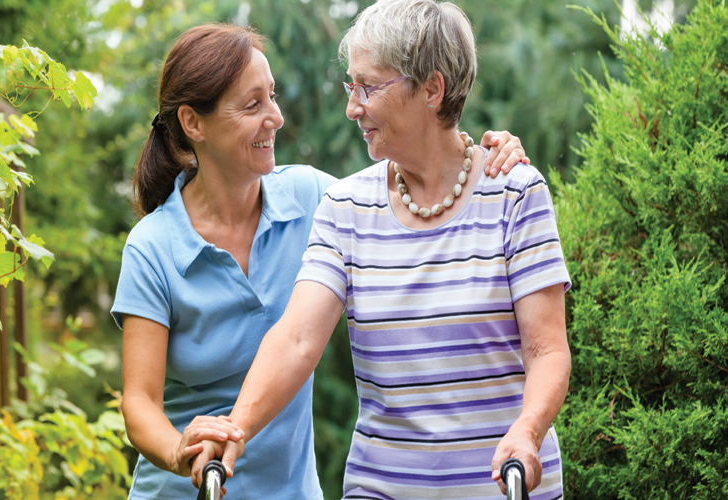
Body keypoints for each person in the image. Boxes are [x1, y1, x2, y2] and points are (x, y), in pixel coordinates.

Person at [111, 22, 530, 500]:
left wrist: (479, 158)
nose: (276, 117)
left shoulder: (313, 198)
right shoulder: (153, 246)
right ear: (193, 123)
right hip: (187, 490)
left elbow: (408, 196)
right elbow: (139, 403)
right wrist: (179, 449)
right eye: (253, 105)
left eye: (272, 96)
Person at [208, 1, 572, 499]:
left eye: (368, 86)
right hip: (383, 488)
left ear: (431, 88)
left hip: (502, 484)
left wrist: (528, 429)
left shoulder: (515, 193)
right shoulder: (345, 206)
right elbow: (296, 340)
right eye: (349, 85)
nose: (351, 106)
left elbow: (547, 350)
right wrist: (236, 430)